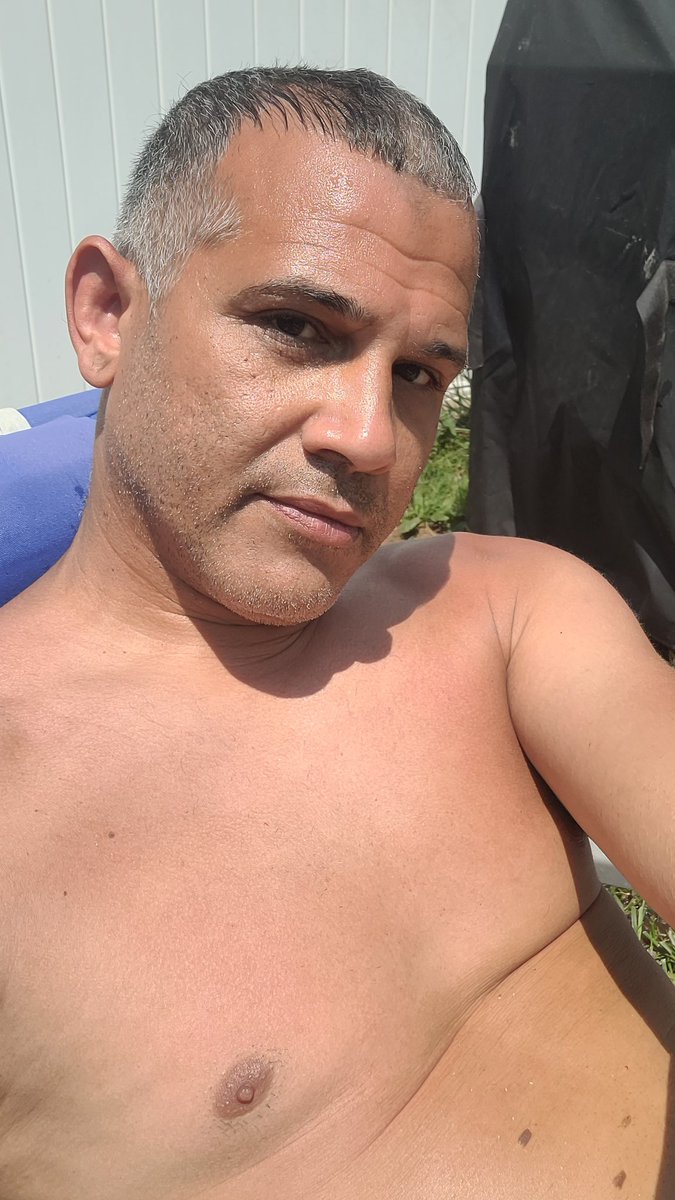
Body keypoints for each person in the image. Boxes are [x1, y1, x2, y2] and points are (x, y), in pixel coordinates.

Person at [0, 66, 673, 1200]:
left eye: (417, 375)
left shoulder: (495, 610)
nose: (370, 439)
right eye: (298, 328)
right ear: (107, 313)